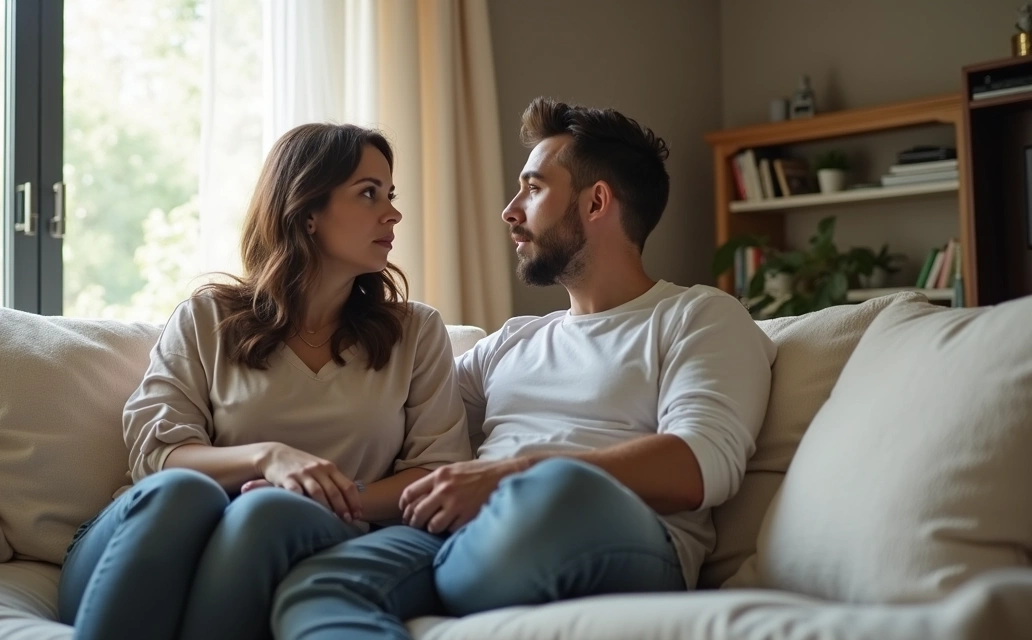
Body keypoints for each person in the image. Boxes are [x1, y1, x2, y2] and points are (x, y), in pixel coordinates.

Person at [271, 98, 777, 639]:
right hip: (469, 535)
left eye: (533, 189)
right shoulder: (513, 340)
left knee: (556, 487)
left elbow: (702, 464)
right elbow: (409, 417)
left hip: (612, 530)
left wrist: (510, 475)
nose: (510, 211)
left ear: (596, 202)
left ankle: (479, 560)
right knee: (317, 586)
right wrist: (318, 486)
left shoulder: (698, 315)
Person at [56, 123, 472, 640]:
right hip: (138, 549)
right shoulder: (207, 317)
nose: (393, 213)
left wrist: (323, 494)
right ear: (307, 211)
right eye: (369, 194)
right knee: (182, 491)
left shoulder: (415, 332)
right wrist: (269, 457)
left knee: (268, 508)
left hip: (293, 540)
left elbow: (437, 472)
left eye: (391, 195)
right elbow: (159, 454)